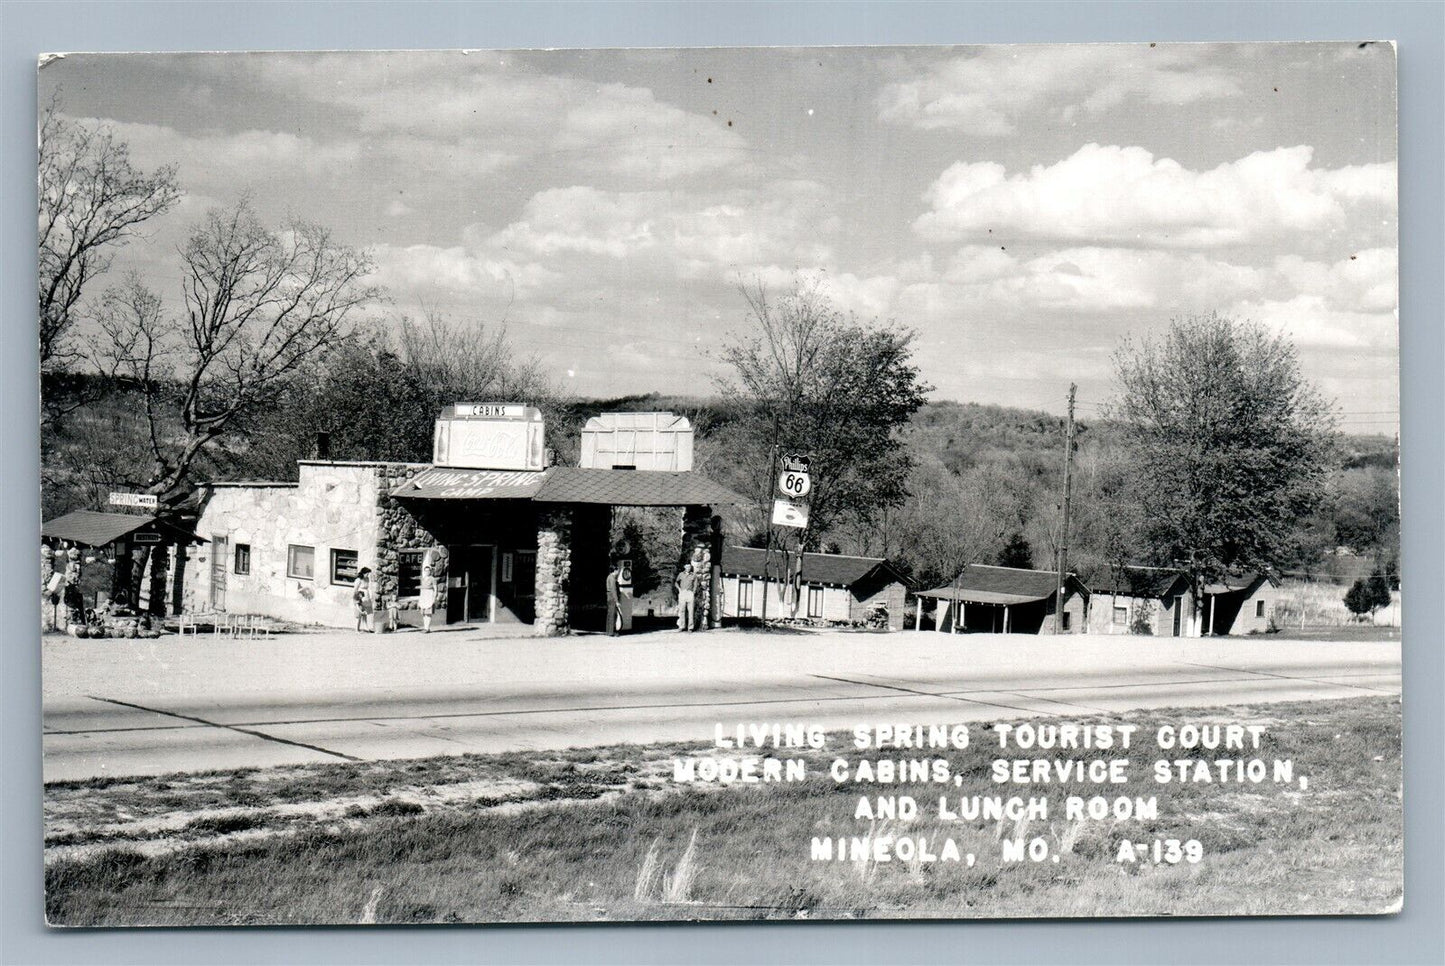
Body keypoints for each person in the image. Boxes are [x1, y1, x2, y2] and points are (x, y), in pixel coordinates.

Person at [675, 562, 698, 632]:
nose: (688, 568)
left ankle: (690, 627)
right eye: (687, 567)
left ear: (690, 568)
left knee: (691, 611)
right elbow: (676, 582)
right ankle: (682, 626)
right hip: (682, 593)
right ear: (684, 567)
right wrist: (679, 589)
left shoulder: (693, 575)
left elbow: (695, 584)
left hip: (690, 593)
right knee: (682, 610)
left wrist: (693, 592)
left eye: (689, 567)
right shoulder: (681, 574)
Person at [419, 559, 437, 633]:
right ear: (424, 571)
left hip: (429, 595)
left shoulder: (433, 579)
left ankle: (427, 628)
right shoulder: (423, 579)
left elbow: (435, 588)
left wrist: (434, 597)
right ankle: (425, 627)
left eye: (428, 571)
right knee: (424, 613)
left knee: (428, 613)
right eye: (426, 571)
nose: (427, 572)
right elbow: (422, 588)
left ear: (430, 571)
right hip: (423, 595)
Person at [605, 561, 623, 636]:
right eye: (617, 570)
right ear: (615, 570)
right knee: (613, 614)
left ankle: (608, 631)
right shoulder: (612, 578)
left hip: (609, 597)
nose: (618, 572)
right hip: (612, 597)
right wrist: (617, 601)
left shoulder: (609, 577)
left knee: (609, 614)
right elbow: (613, 590)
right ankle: (611, 632)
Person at [353, 566, 372, 632]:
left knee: (365, 612)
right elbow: (355, 590)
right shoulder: (358, 580)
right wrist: (356, 598)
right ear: (363, 573)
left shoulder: (367, 579)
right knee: (359, 612)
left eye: (368, 574)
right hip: (360, 595)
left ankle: (366, 627)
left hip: (366, 596)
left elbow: (368, 588)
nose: (367, 575)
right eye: (366, 573)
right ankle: (357, 628)